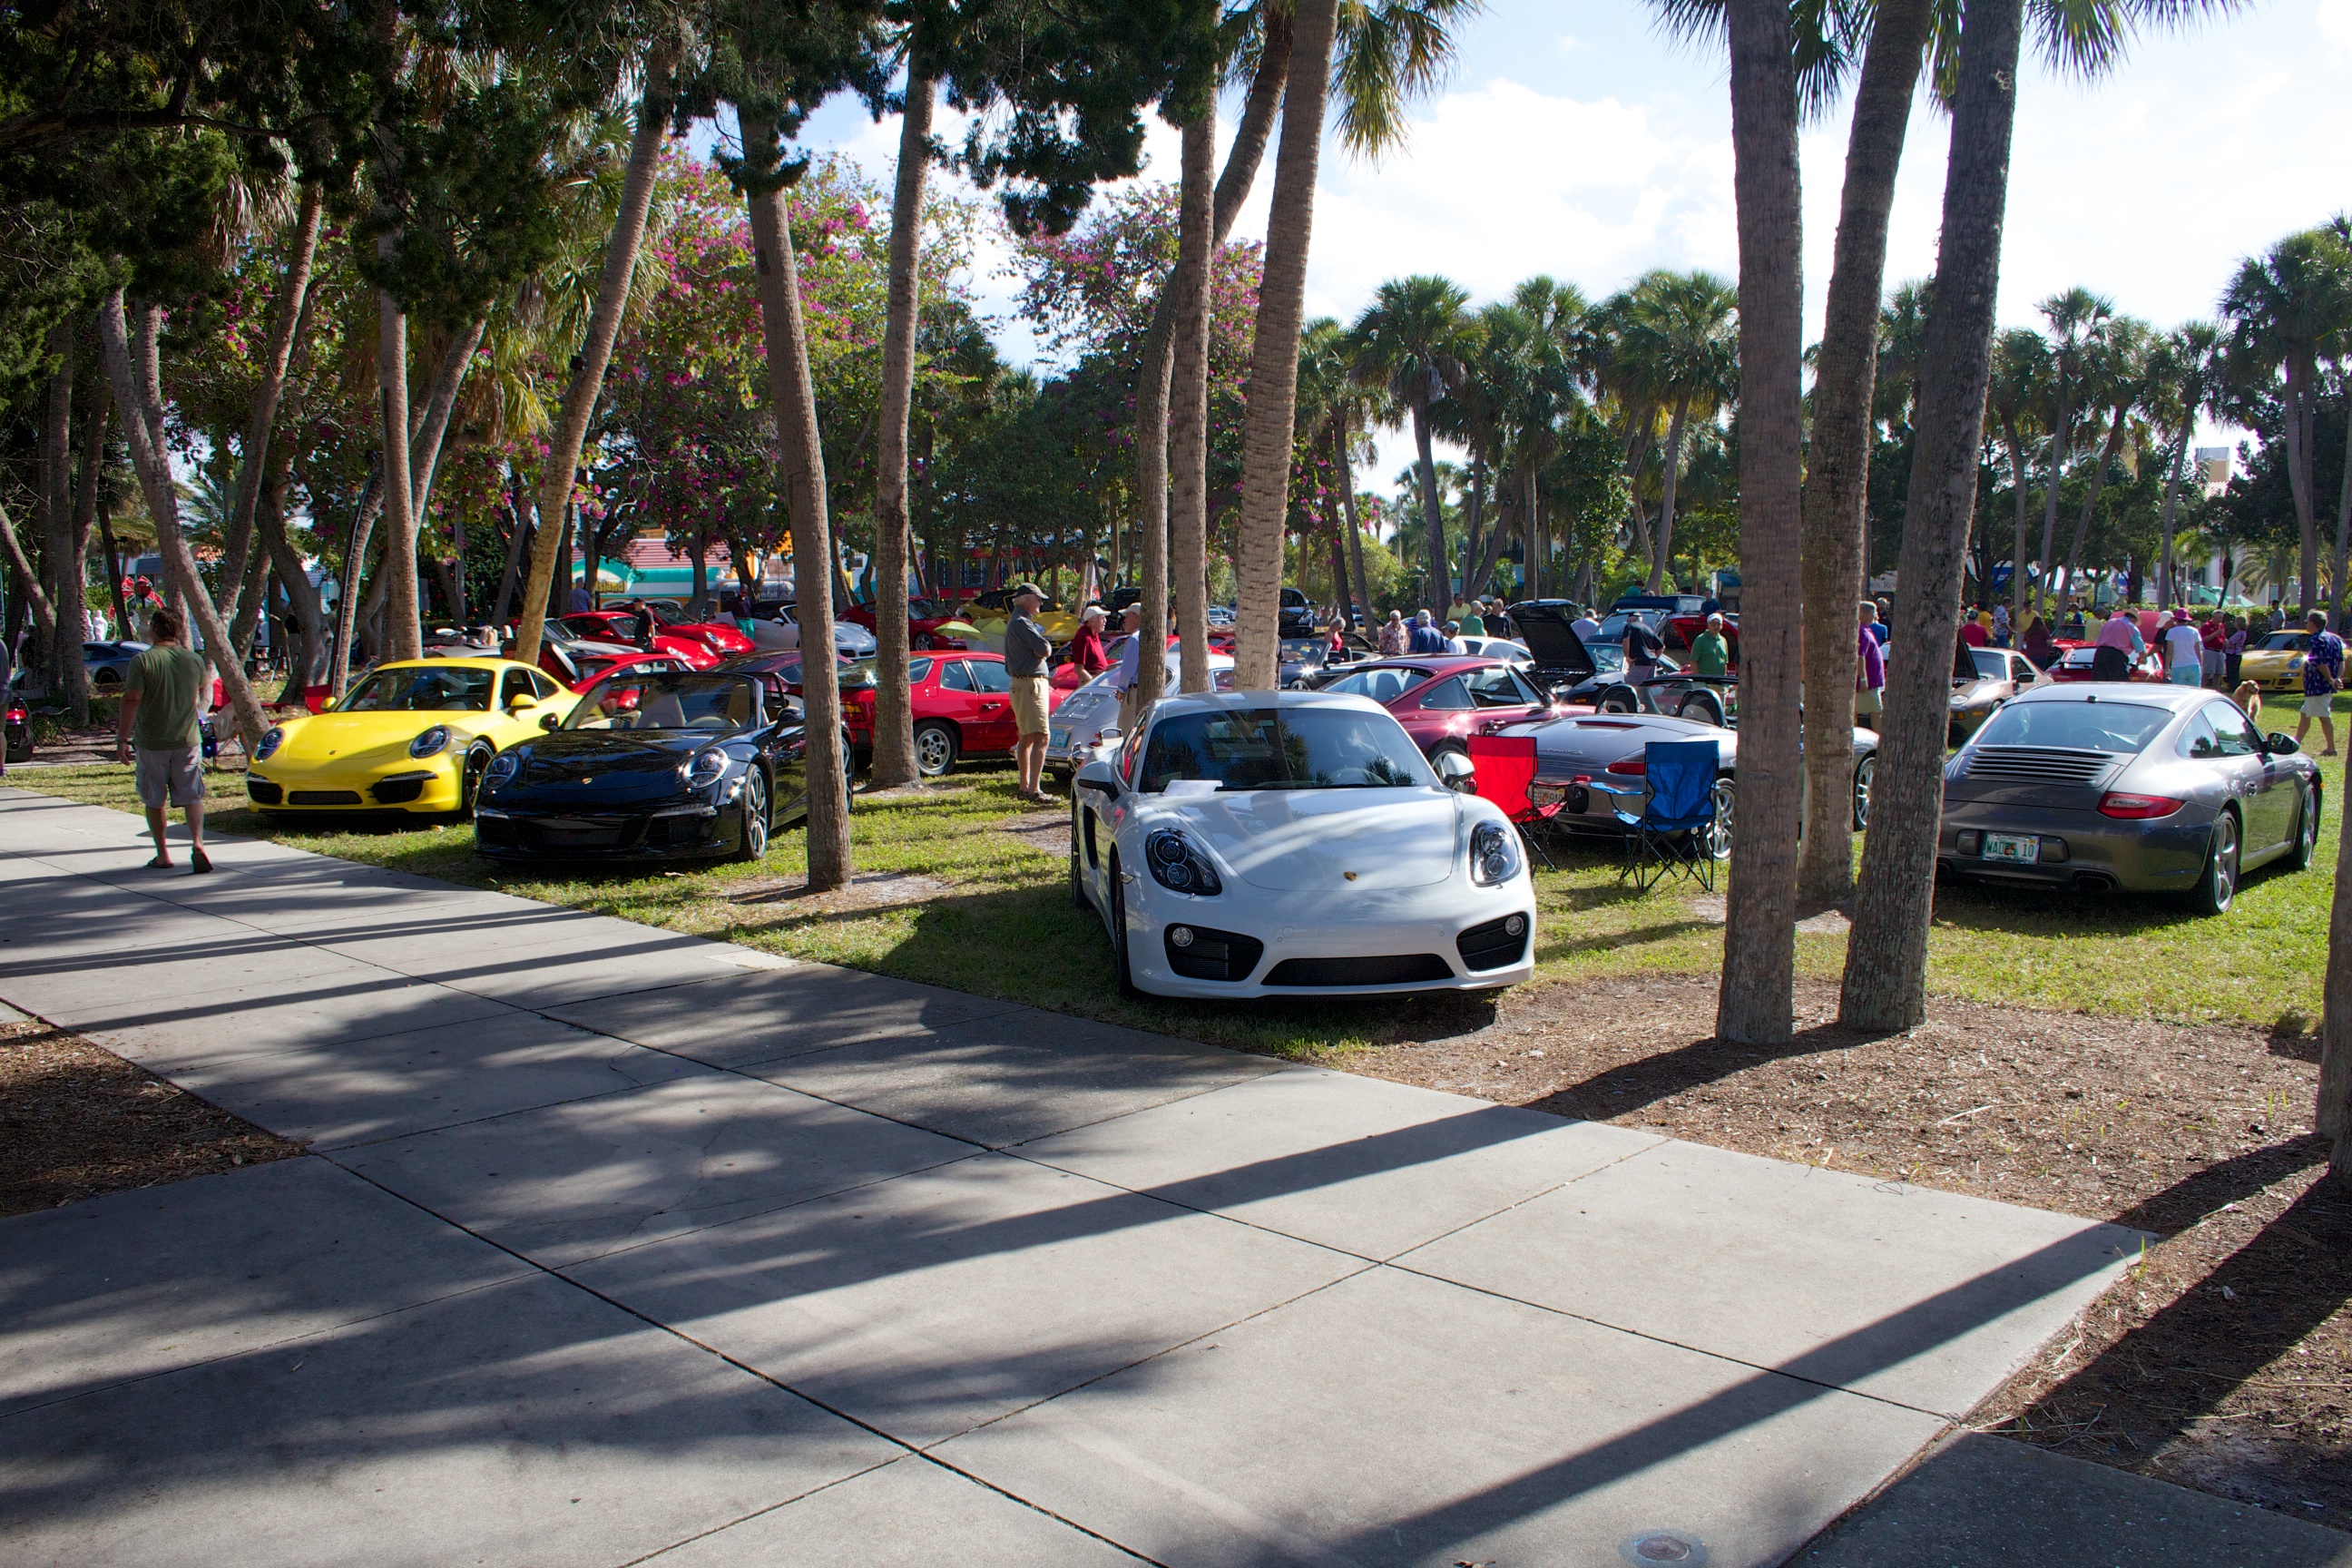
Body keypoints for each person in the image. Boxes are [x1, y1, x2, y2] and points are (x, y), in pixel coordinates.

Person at [116, 606, 211, 874]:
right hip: (187, 739)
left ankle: (162, 854)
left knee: (154, 799)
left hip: (152, 741)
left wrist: (123, 738)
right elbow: (201, 687)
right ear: (179, 630)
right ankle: (198, 843)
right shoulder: (193, 660)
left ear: (154, 630)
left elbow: (132, 699)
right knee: (192, 796)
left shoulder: (143, 661)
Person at [1003, 583, 1054, 803]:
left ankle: (1025, 787)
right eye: (1038, 599)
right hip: (1031, 685)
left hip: (1022, 684)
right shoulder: (1022, 623)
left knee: (1026, 737)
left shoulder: (1015, 622)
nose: (1041, 603)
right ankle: (1034, 790)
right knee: (1042, 736)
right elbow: (1044, 649)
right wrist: (1047, 648)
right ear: (1025, 599)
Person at [2295, 609, 2341, 757]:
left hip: (2318, 685)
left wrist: (2330, 680)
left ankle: (2331, 748)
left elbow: (2320, 663)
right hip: (2324, 685)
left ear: (2314, 623)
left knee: (2323, 716)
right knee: (2305, 714)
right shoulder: (2335, 639)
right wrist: (2337, 677)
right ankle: (2297, 742)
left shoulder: (2316, 639)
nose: (2306, 624)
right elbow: (2341, 661)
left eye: (2307, 621)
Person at [1111, 603, 1147, 730]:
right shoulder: (1148, 637)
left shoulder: (1135, 639)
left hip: (1134, 693)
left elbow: (1127, 670)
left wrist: (1121, 690)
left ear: (1137, 617)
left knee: (1125, 733)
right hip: (1146, 690)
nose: (1124, 620)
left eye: (1127, 616)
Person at [1856, 602, 1886, 730]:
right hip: (1867, 682)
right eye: (1872, 612)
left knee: (1876, 711)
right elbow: (1860, 656)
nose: (1875, 615)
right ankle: (1877, 741)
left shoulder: (1867, 629)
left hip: (1873, 681)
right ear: (1864, 613)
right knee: (1876, 711)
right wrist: (1863, 679)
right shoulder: (1861, 631)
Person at [2091, 607, 2138, 682]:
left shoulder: (2109, 622)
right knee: (2120, 682)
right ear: (2134, 619)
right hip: (2115, 655)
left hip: (2100, 653)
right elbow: (2140, 648)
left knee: (2099, 681)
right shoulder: (2131, 626)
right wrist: (2143, 658)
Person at [2161, 608, 2204, 686]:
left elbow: (2169, 652)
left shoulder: (2171, 632)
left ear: (2176, 620)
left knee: (2179, 691)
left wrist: (2167, 668)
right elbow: (2198, 651)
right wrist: (2201, 665)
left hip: (2178, 666)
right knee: (2194, 691)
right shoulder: (2194, 631)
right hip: (2193, 665)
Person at [1068, 604, 1112, 676]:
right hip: (1092, 681)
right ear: (1091, 621)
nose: (1105, 621)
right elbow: (1078, 669)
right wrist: (1093, 682)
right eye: (1102, 618)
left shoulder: (1094, 634)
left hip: (1099, 679)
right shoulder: (1084, 637)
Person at [1622, 612, 1663, 682]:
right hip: (1652, 663)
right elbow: (1661, 647)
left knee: (1632, 688)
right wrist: (1654, 658)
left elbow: (1626, 640)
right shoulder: (1648, 629)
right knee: (1647, 688)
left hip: (1639, 662)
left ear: (1631, 619)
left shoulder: (1630, 626)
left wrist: (1627, 657)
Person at [1690, 612, 1730, 679]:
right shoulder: (1700, 639)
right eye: (1713, 623)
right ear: (1708, 624)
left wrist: (1725, 678)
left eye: (1718, 623)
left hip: (1720, 681)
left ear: (1722, 625)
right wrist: (1697, 679)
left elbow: (1725, 662)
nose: (1716, 626)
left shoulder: (1723, 640)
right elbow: (1693, 661)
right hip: (1704, 682)